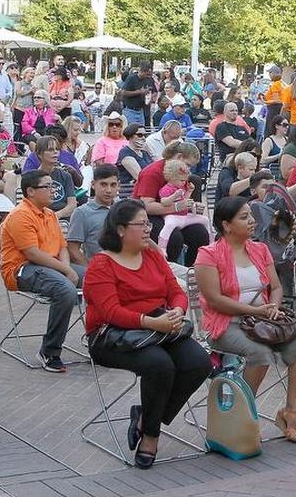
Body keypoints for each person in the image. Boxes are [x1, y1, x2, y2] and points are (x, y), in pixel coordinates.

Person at [81, 200, 209, 468]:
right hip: (111, 336)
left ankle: (145, 416)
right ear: (120, 230)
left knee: (199, 363)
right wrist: (152, 323)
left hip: (158, 327)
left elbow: (174, 289)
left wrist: (177, 309)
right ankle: (151, 435)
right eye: (141, 224)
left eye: (148, 224)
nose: (147, 229)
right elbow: (110, 312)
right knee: (159, 365)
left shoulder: (151, 255)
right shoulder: (101, 265)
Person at [196, 196, 296, 442]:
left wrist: (273, 307)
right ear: (226, 225)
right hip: (227, 321)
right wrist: (255, 312)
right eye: (244, 217)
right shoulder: (208, 254)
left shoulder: (259, 249)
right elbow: (214, 300)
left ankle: (290, 413)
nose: (252, 221)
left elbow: (277, 286)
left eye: (250, 215)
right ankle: (242, 416)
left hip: (264, 321)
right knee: (260, 354)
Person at [0, 170, 87, 373]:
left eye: (53, 185)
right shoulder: (20, 215)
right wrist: (66, 271)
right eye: (47, 186)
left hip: (52, 265)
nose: (53, 190)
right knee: (65, 290)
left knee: (98, 279)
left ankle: (99, 337)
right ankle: (50, 351)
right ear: (30, 191)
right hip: (21, 269)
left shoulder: (49, 214)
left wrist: (67, 269)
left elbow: (62, 247)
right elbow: (33, 254)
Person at [68, 164, 120, 266]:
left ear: (119, 185)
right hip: (101, 269)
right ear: (93, 184)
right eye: (103, 184)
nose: (108, 190)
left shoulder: (124, 209)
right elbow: (73, 248)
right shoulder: (82, 213)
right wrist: (91, 271)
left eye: (113, 185)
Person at [115, 124, 154, 192]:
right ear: (130, 136)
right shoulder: (125, 153)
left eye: (145, 135)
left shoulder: (144, 152)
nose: (144, 138)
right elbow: (139, 176)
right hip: (130, 191)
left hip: (146, 188)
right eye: (140, 135)